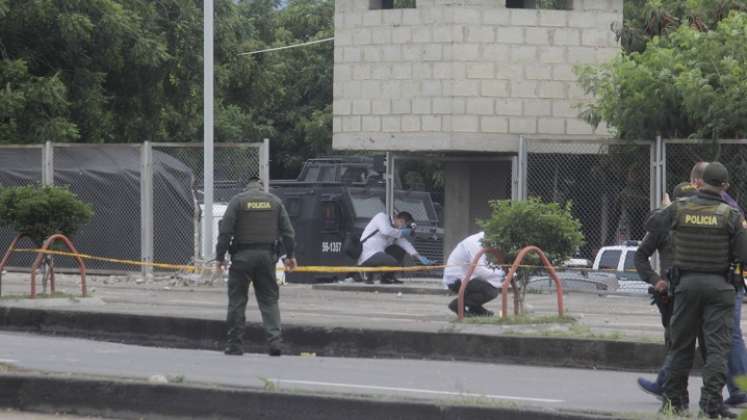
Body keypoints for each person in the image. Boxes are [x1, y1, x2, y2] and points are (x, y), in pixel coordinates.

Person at [642, 163, 747, 408]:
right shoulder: (731, 214)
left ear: (698, 183)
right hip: (720, 288)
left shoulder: (679, 209)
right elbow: (743, 255)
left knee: (681, 347)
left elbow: (652, 225)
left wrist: (666, 208)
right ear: (725, 186)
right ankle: (711, 404)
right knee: (717, 350)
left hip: (685, 287)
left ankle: (675, 403)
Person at [216, 176, 297, 357]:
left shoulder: (238, 201)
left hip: (241, 258)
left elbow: (225, 232)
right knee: (269, 300)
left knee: (237, 301)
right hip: (267, 258)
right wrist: (290, 256)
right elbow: (288, 232)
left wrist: (219, 257)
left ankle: (234, 345)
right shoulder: (274, 202)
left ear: (247, 187)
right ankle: (275, 341)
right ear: (261, 187)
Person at [634, 182, 697, 397]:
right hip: (673, 292)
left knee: (703, 345)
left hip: (697, 291)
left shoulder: (703, 222)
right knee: (675, 342)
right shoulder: (663, 226)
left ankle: (669, 388)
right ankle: (669, 388)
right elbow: (640, 256)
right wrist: (655, 279)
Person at [358, 211, 431, 284]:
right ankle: (367, 273)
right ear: (396, 218)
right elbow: (386, 231)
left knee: (399, 251)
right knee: (392, 263)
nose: (402, 226)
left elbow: (406, 244)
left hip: (379, 253)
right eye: (402, 222)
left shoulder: (395, 231)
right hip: (367, 252)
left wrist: (420, 257)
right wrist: (401, 232)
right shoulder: (381, 217)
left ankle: (387, 278)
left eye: (404, 225)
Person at [442, 231, 505, 317]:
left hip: (468, 276)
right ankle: (457, 305)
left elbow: (486, 267)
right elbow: (480, 270)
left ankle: (475, 308)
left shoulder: (484, 242)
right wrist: (503, 274)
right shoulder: (474, 243)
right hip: (456, 279)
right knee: (490, 291)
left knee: (491, 286)